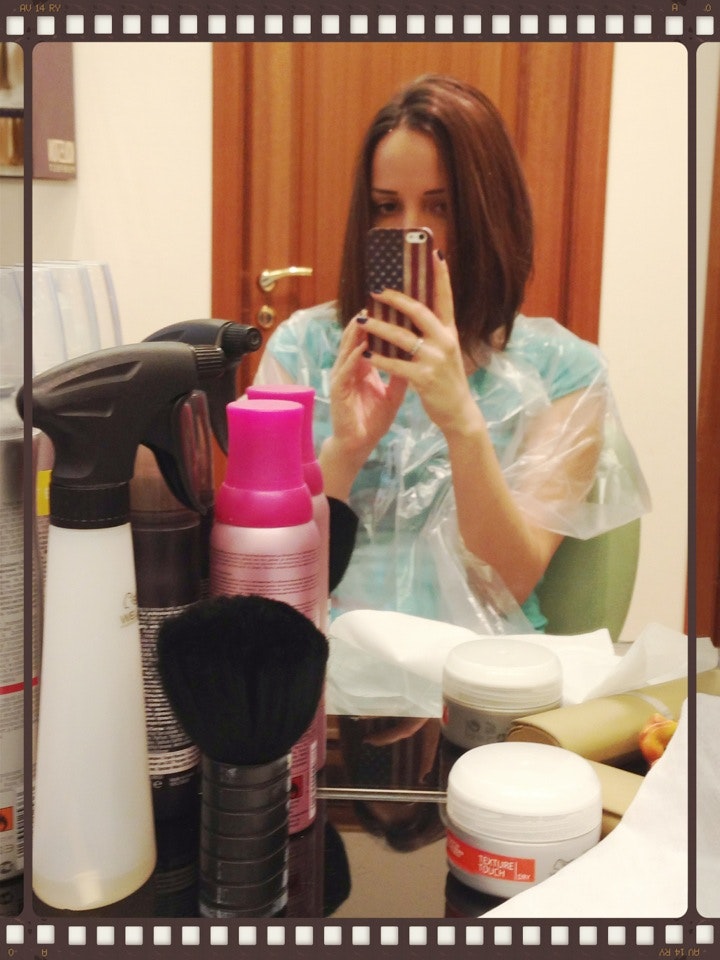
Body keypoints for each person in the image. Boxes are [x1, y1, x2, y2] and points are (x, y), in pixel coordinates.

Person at [254, 74, 650, 632]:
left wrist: (462, 423)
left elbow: (509, 581)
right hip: (330, 658)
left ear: (489, 213)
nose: (412, 231)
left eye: (440, 206)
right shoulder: (303, 350)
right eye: (387, 206)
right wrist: (345, 452)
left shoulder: (565, 374)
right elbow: (264, 573)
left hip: (480, 665)